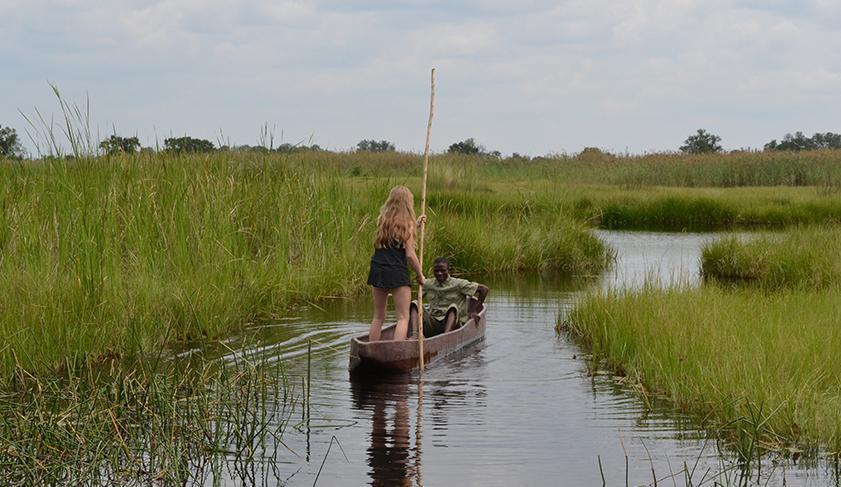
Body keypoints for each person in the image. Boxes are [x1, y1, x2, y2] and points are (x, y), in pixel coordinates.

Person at [366, 185, 426, 341]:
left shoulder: (382, 221)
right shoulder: (408, 224)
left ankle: (372, 350)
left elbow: (396, 237)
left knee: (378, 317)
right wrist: (420, 275)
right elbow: (410, 255)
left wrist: (416, 226)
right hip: (397, 271)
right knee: (402, 318)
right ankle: (396, 350)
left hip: (378, 269)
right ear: (408, 203)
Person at [410, 257, 489, 338]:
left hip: (453, 323)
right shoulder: (428, 284)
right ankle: (415, 334)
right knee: (415, 303)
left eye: (443, 270)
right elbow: (417, 299)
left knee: (453, 307)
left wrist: (475, 310)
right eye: (436, 271)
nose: (439, 273)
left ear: (449, 270)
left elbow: (484, 289)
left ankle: (446, 337)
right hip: (433, 322)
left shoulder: (458, 284)